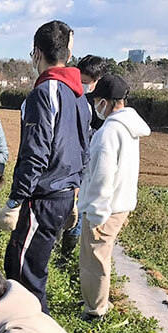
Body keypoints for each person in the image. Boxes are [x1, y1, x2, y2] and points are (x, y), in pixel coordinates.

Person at [0, 20, 90, 315]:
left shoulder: (45, 92)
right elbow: (82, 150)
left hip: (43, 197)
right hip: (63, 194)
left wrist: (15, 202)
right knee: (29, 266)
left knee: (23, 274)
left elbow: (35, 153)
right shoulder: (79, 97)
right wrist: (74, 193)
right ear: (68, 54)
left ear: (37, 53)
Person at [78, 74, 150, 321]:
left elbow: (102, 176)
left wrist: (96, 214)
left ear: (106, 102)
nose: (96, 106)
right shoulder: (129, 128)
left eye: (97, 100)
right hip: (121, 204)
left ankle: (95, 311)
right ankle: (97, 301)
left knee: (94, 260)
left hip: (105, 208)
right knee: (101, 258)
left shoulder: (109, 131)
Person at [60, 54, 111, 260]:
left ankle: (67, 253)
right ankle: (62, 248)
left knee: (78, 209)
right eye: (81, 80)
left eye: (87, 82)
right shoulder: (71, 96)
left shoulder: (99, 106)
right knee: (67, 205)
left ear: (97, 81)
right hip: (67, 161)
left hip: (85, 165)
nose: (83, 85)